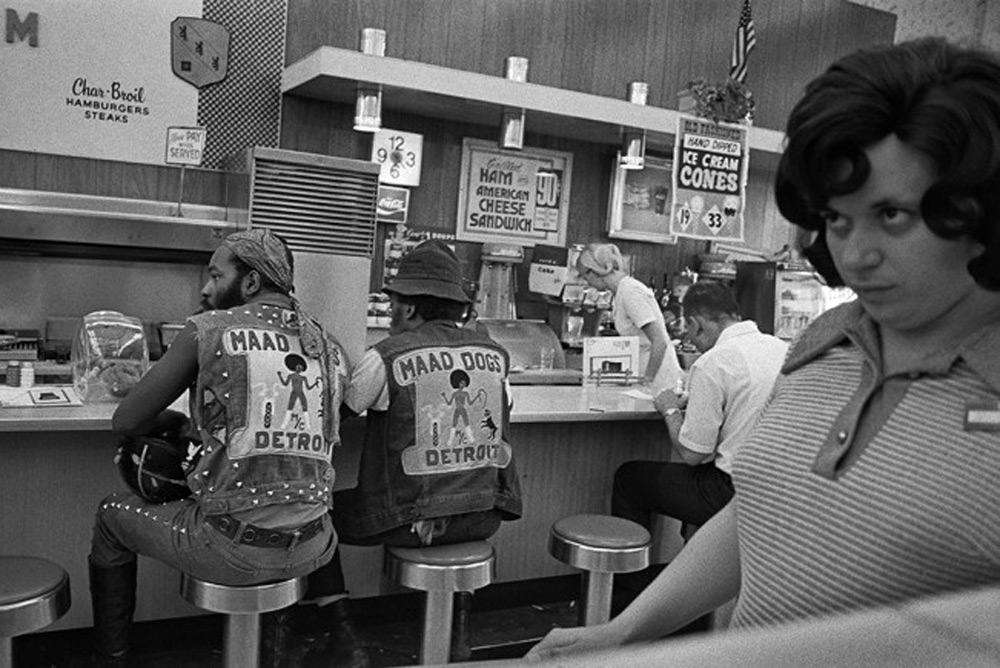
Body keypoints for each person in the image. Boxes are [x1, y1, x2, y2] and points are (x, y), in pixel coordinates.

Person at [527, 37, 1000, 661]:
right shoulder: (822, 343)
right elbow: (759, 514)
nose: (855, 255)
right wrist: (623, 633)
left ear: (979, 210)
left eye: (891, 215)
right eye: (837, 219)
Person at [91, 229, 348, 666]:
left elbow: (127, 419)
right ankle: (275, 648)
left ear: (249, 283)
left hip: (232, 550)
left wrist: (176, 421)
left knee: (111, 517)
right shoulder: (326, 343)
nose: (206, 288)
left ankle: (110, 659)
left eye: (214, 275)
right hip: (316, 546)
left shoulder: (208, 331)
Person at [299, 239, 523, 666]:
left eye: (394, 301)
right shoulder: (495, 356)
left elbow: (334, 418)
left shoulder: (386, 355)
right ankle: (456, 627)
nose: (391, 310)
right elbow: (503, 410)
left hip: (409, 521)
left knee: (312, 511)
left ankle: (342, 636)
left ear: (410, 308)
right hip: (483, 517)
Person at [576, 243, 683, 392]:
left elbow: (659, 342)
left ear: (594, 271)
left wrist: (647, 381)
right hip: (646, 375)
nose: (585, 282)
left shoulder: (631, 292)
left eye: (584, 276)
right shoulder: (620, 292)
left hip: (659, 381)